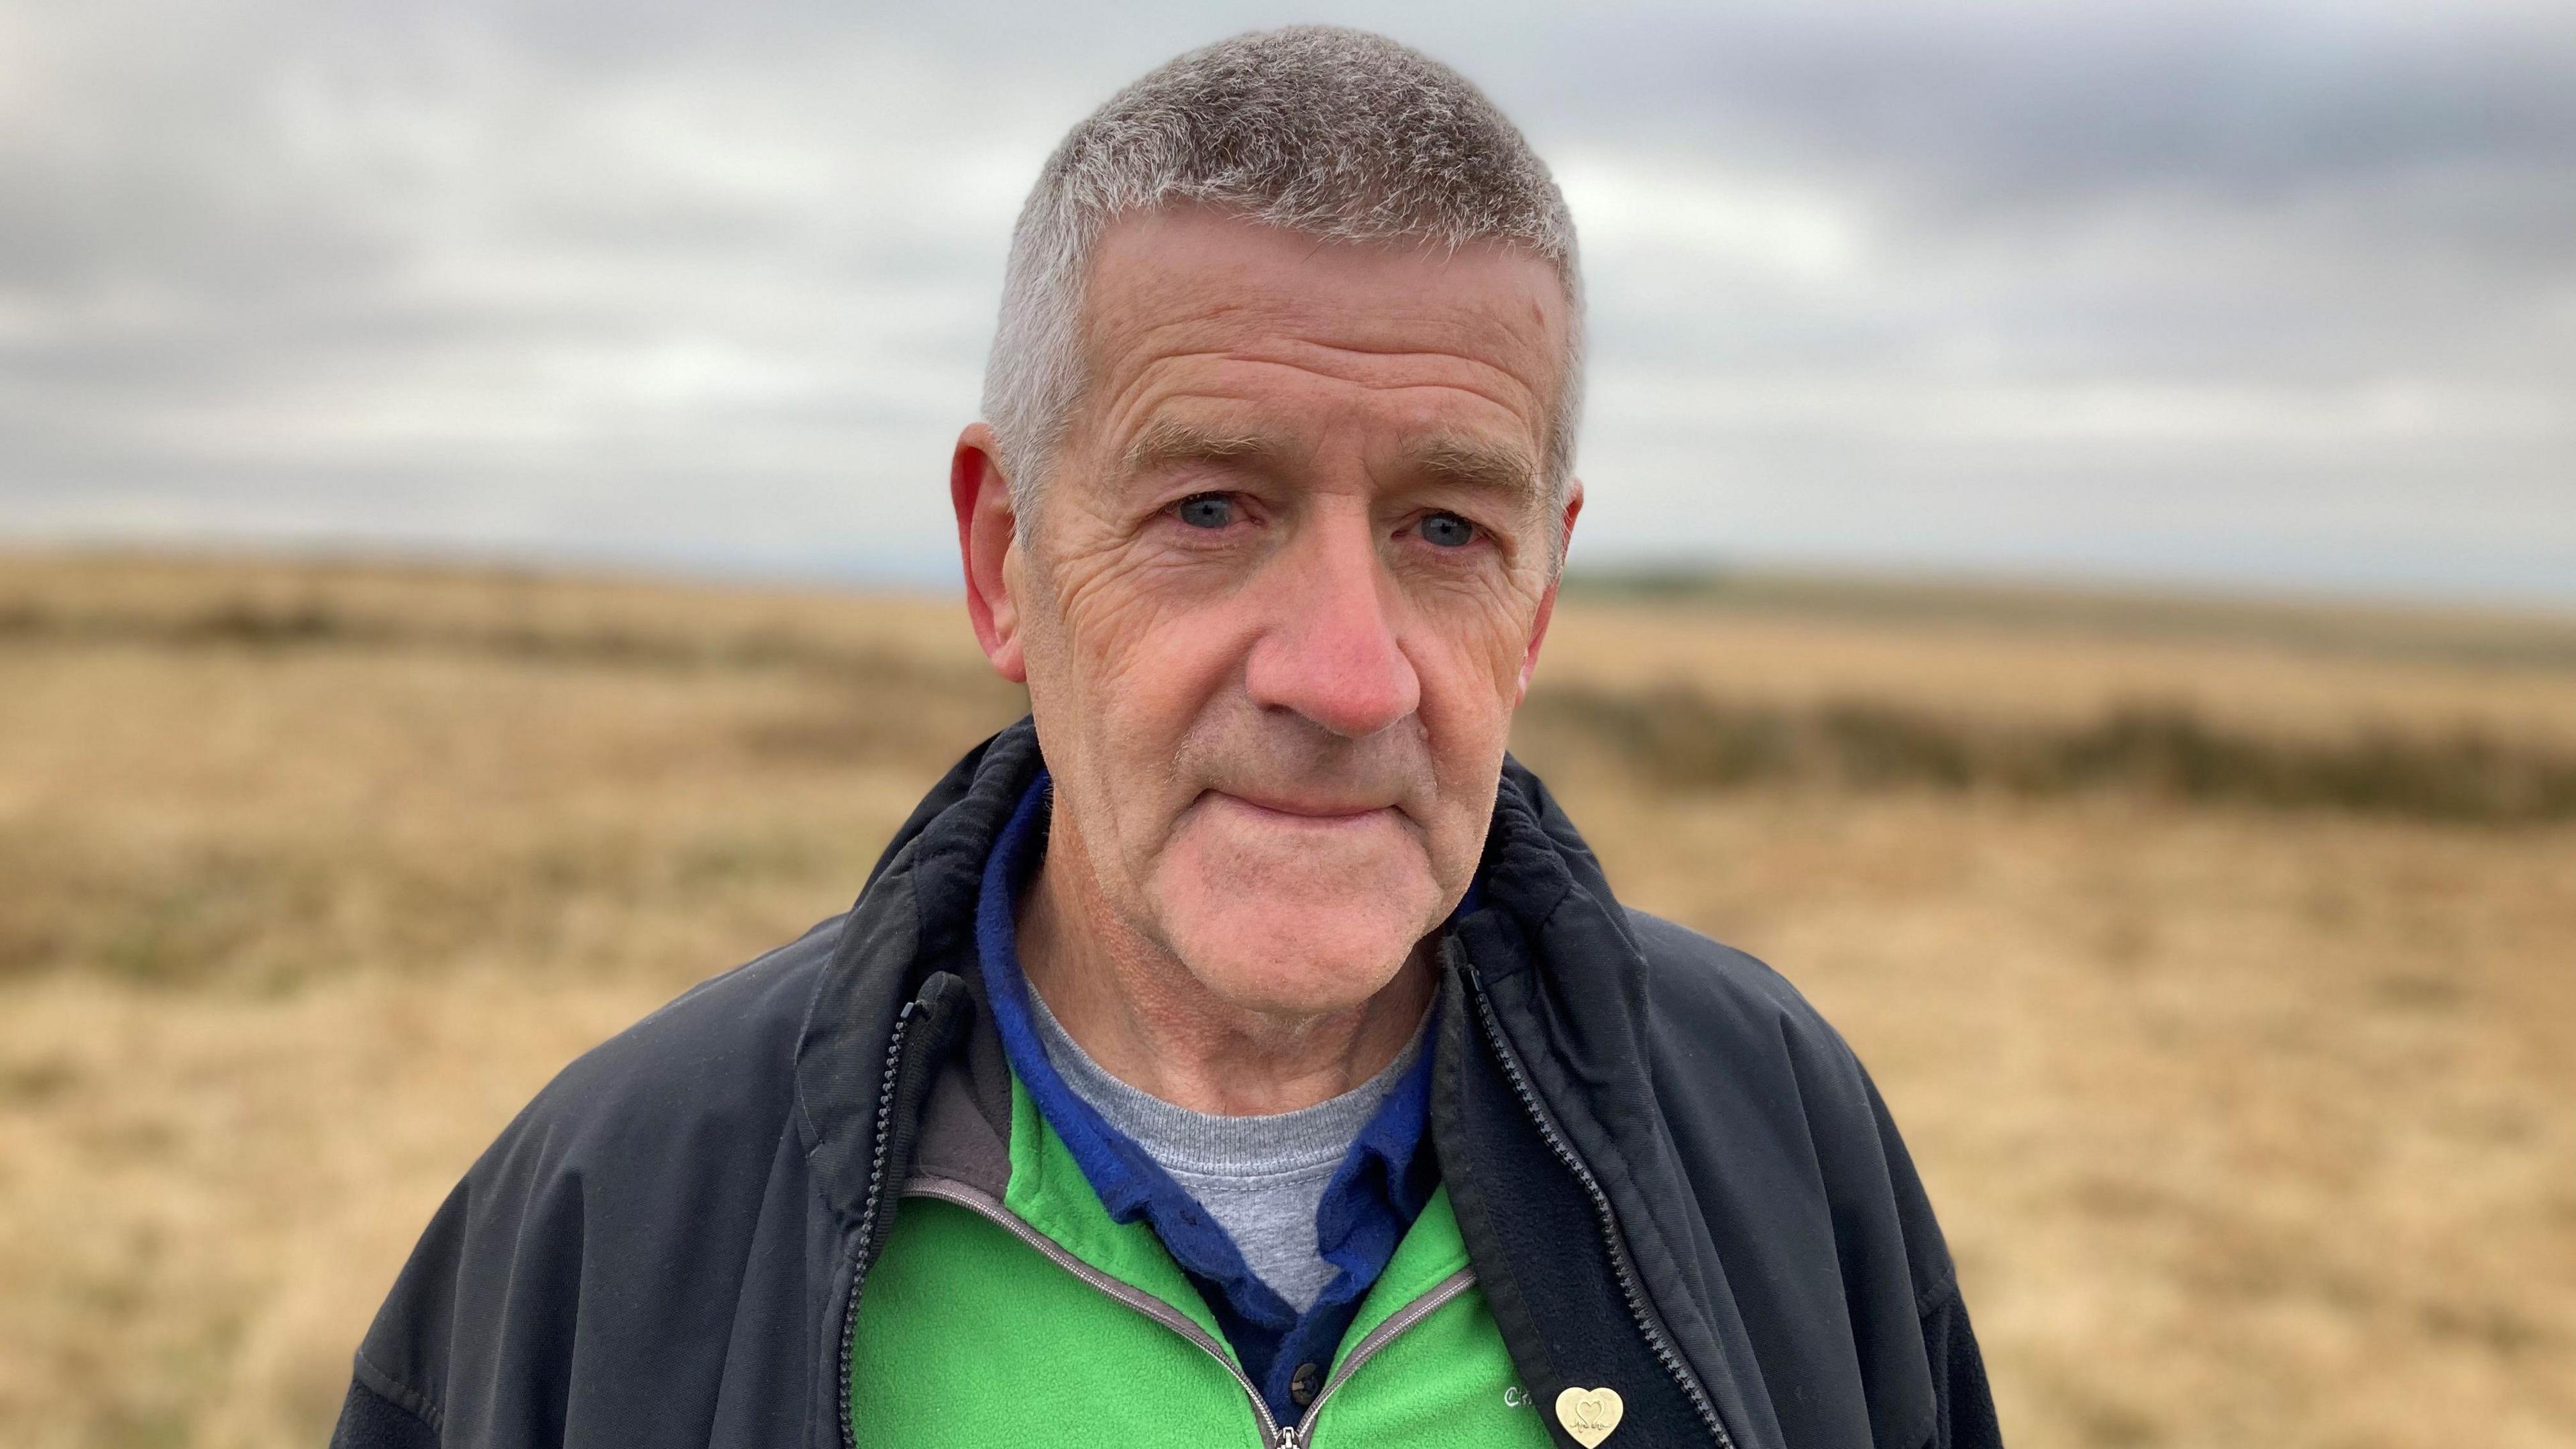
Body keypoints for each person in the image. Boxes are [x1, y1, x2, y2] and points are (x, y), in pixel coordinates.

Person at [331, 26, 2001, 1449]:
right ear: (1006, 564)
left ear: (1541, 599)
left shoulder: (1780, 1132)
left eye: (1446, 532)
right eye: (1212, 506)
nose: (1351, 678)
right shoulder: (612, 1217)